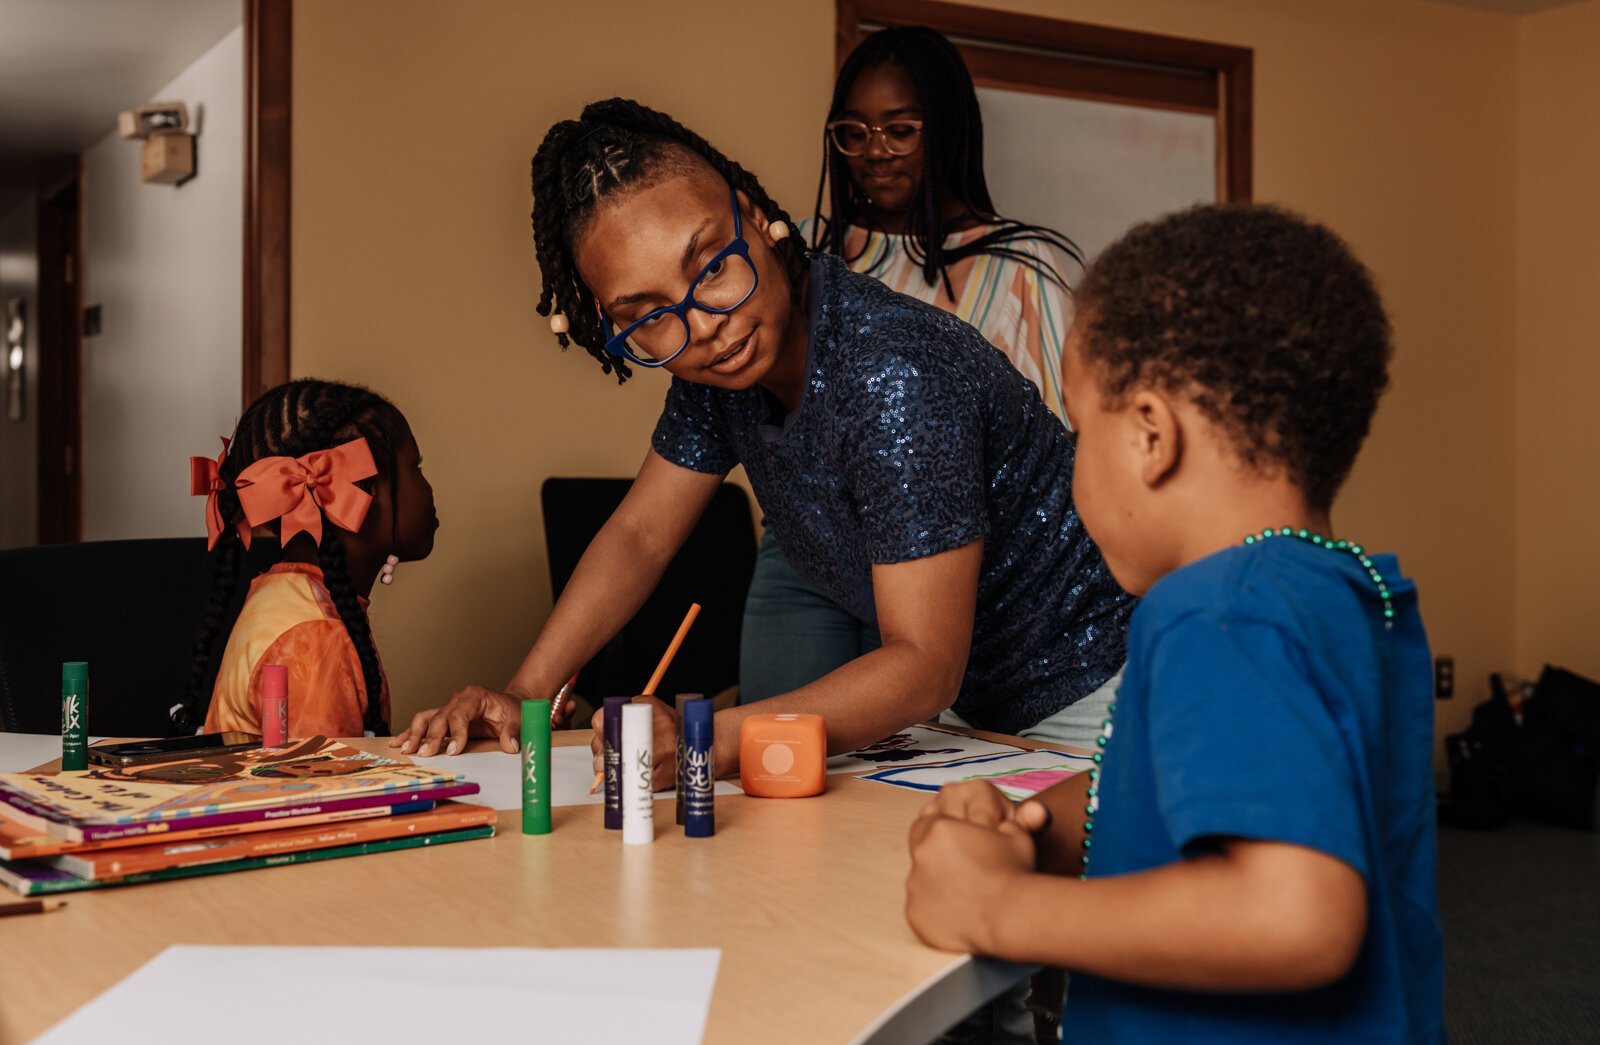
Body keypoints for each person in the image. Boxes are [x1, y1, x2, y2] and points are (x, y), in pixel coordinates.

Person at [393, 98, 1131, 779]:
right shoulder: (723, 375)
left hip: (1106, 693)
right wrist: (524, 697)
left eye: (711, 265)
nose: (702, 324)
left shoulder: (895, 371)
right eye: (648, 314)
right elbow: (642, 534)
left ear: (753, 216)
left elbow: (923, 664)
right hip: (982, 718)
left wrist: (700, 736)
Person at [905, 204, 1444, 1042]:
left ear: (1151, 435)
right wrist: (1034, 828)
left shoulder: (1217, 612)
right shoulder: (1343, 592)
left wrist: (998, 904)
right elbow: (1191, 783)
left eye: (1080, 431)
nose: (1074, 460)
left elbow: (1295, 915)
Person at [742, 25, 1084, 704]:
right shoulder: (806, 255)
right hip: (801, 550)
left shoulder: (1023, 267)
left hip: (943, 557)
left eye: (900, 130)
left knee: (902, 773)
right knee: (769, 759)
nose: (874, 153)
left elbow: (1068, 449)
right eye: (854, 131)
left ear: (947, 129)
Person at [178, 379, 438, 738]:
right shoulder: (317, 637)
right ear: (365, 493)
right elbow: (326, 788)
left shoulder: (283, 595)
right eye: (417, 468)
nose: (427, 487)